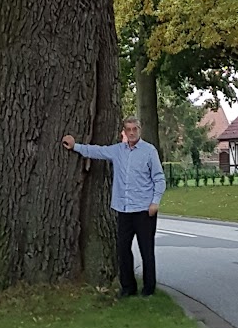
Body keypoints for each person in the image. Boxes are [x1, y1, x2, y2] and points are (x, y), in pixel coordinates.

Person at [62, 117, 165, 297]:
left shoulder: (149, 151)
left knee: (146, 250)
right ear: (124, 132)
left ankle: (149, 289)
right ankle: (128, 287)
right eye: (128, 129)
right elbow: (97, 151)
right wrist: (75, 146)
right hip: (124, 210)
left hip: (144, 210)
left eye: (134, 129)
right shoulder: (118, 151)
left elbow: (159, 178)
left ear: (139, 130)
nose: (131, 132)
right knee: (123, 250)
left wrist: (155, 202)